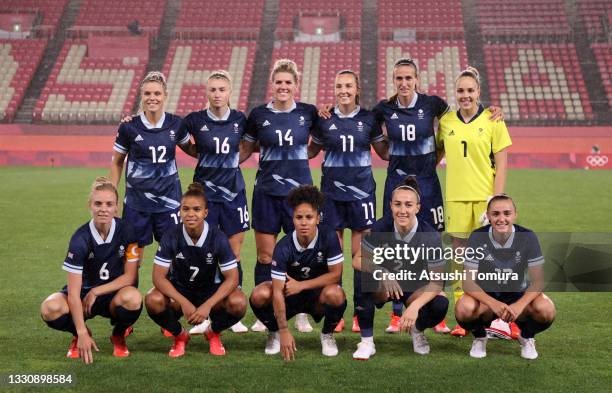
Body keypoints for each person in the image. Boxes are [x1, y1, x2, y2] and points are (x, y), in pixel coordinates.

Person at [242, 59, 319, 333]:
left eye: (288, 82)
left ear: (296, 86)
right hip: (266, 193)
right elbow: (246, 149)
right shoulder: (258, 114)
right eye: (279, 82)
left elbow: (317, 144)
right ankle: (265, 314)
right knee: (266, 256)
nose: (283, 87)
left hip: (299, 197)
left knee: (302, 255)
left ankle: (300, 313)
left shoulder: (309, 113)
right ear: (272, 85)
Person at [308, 69, 388, 333]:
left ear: (357, 90)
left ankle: (359, 311)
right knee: (334, 255)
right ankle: (338, 310)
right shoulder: (324, 120)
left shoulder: (369, 119)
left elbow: (384, 152)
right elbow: (311, 150)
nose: (343, 90)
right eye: (339, 85)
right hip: (330, 195)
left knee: (358, 256)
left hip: (362, 194)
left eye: (348, 86)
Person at [437, 66, 512, 336]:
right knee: (459, 258)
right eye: (460, 91)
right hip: (456, 198)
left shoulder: (493, 120)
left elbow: (502, 162)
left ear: (479, 92)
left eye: (470, 90)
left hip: (484, 199)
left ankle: (502, 315)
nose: (465, 95)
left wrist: (495, 200)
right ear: (455, 93)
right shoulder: (447, 123)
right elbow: (436, 155)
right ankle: (463, 317)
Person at [40, 177, 142, 364]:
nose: (103, 208)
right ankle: (80, 335)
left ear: (116, 207)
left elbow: (130, 277)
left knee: (134, 298)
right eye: (98, 203)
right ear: (90, 205)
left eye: (109, 204)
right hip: (83, 296)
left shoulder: (127, 230)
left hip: (114, 294)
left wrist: (97, 290)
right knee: (50, 308)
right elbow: (72, 293)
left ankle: (118, 335)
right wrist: (81, 331)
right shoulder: (80, 239)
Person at [180, 70, 250, 333]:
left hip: (233, 194)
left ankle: (233, 309)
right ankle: (203, 309)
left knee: (233, 254)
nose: (217, 94)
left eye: (222, 89)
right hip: (205, 196)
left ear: (230, 92)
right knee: (204, 252)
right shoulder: (195, 120)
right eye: (213, 90)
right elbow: (183, 142)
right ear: (206, 92)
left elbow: (249, 145)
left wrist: (232, 162)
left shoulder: (240, 119)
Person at [351, 177, 449, 360]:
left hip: (414, 287)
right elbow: (357, 259)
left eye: (408, 205)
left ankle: (417, 331)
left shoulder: (430, 235)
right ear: (390, 205)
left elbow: (437, 282)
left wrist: (414, 308)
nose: (402, 210)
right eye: (398, 204)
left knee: (440, 303)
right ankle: (366, 341)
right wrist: (381, 272)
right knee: (362, 274)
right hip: (385, 286)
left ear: (417, 208)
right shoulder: (380, 227)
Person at [144, 183, 247, 357]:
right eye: (186, 209)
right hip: (180, 292)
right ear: (180, 211)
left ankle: (213, 333)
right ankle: (179, 336)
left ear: (205, 213)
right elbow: (158, 277)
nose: (191, 214)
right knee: (152, 299)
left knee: (239, 302)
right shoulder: (171, 235)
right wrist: (183, 302)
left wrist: (207, 306)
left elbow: (233, 278)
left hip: (210, 293)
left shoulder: (218, 237)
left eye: (197, 209)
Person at [249, 185, 346, 360]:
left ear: (318, 218)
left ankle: (327, 334)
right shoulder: (283, 246)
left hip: (317, 296)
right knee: (259, 294)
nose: (303, 222)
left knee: (336, 294)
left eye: (309, 217)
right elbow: (277, 291)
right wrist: (284, 330)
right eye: (298, 217)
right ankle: (274, 332)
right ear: (292, 219)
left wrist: (301, 285)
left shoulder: (330, 237)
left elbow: (336, 275)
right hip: (289, 296)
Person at [110, 71, 196, 268]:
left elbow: (191, 149)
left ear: (165, 95)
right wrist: (112, 197)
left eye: (157, 93)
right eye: (148, 94)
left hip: (169, 204)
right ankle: (129, 298)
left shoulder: (176, 124)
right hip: (136, 206)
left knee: (175, 259)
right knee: (132, 261)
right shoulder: (129, 127)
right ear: (142, 96)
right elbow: (117, 162)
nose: (152, 98)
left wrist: (217, 150)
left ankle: (173, 299)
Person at [454, 194, 556, 359]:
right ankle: (480, 337)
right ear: (487, 216)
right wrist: (493, 303)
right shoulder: (477, 236)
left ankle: (527, 336)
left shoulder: (528, 236)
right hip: (487, 298)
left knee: (546, 310)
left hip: (517, 294)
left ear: (515, 214)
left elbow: (538, 281)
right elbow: (468, 282)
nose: (501, 219)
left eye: (507, 213)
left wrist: (519, 305)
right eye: (495, 214)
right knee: (463, 308)